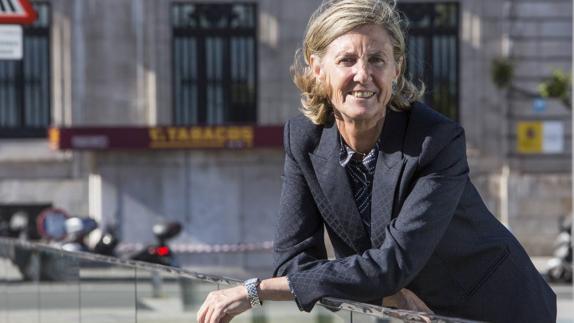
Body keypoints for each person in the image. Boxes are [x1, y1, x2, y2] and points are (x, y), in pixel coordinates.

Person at [197, 0, 557, 322]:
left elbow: (393, 262)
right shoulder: (303, 139)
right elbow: (292, 261)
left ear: (396, 69)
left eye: (377, 60)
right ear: (317, 68)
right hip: (412, 311)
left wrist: (254, 290)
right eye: (346, 60)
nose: (363, 75)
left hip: (497, 307)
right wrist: (389, 294)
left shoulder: (436, 141)